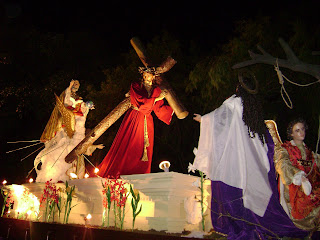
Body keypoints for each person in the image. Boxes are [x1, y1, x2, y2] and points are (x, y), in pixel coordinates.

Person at [191, 75, 307, 239]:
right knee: (252, 190)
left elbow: (218, 118)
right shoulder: (254, 108)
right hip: (254, 158)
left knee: (234, 190)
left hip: (237, 157)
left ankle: (241, 223)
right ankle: (255, 222)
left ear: (239, 88)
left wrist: (203, 119)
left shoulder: (233, 102)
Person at [98, 67, 174, 177]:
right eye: (144, 74)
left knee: (144, 147)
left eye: (148, 74)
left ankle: (141, 173)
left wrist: (171, 110)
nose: (146, 76)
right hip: (134, 116)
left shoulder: (157, 90)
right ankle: (122, 171)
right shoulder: (136, 86)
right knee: (130, 142)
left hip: (147, 120)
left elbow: (158, 108)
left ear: (153, 76)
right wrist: (157, 99)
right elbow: (142, 102)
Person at [35, 80, 103, 182]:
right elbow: (66, 103)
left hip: (75, 128)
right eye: (75, 85)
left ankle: (71, 176)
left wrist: (87, 108)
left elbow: (83, 112)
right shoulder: (67, 95)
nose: (76, 87)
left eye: (78, 85)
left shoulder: (78, 99)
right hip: (67, 127)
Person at [275, 118, 320, 231]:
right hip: (294, 185)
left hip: (310, 183)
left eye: (303, 129)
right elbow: (282, 164)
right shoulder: (285, 149)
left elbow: (314, 166)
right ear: (291, 133)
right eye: (297, 130)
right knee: (305, 199)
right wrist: (297, 175)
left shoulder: (309, 151)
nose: (301, 132)